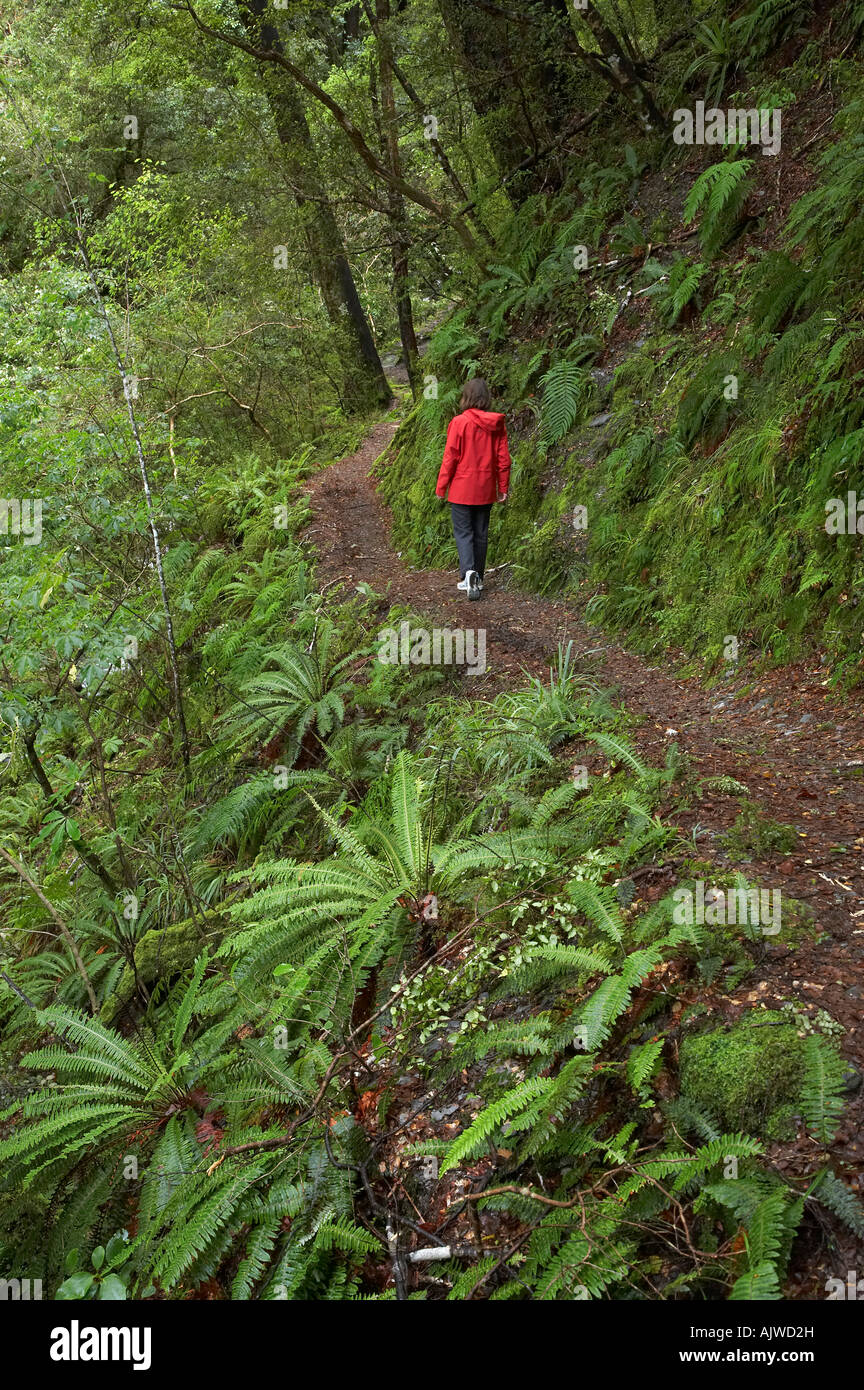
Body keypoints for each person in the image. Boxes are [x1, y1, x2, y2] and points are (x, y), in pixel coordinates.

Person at [435, 378, 511, 601]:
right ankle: (477, 576)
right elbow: (503, 459)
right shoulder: (497, 424)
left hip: (461, 489)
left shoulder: (459, 423)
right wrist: (503, 486)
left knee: (463, 532)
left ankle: (468, 573)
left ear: (466, 397)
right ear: (486, 398)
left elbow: (450, 458)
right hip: (486, 488)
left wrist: (441, 487)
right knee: (481, 533)